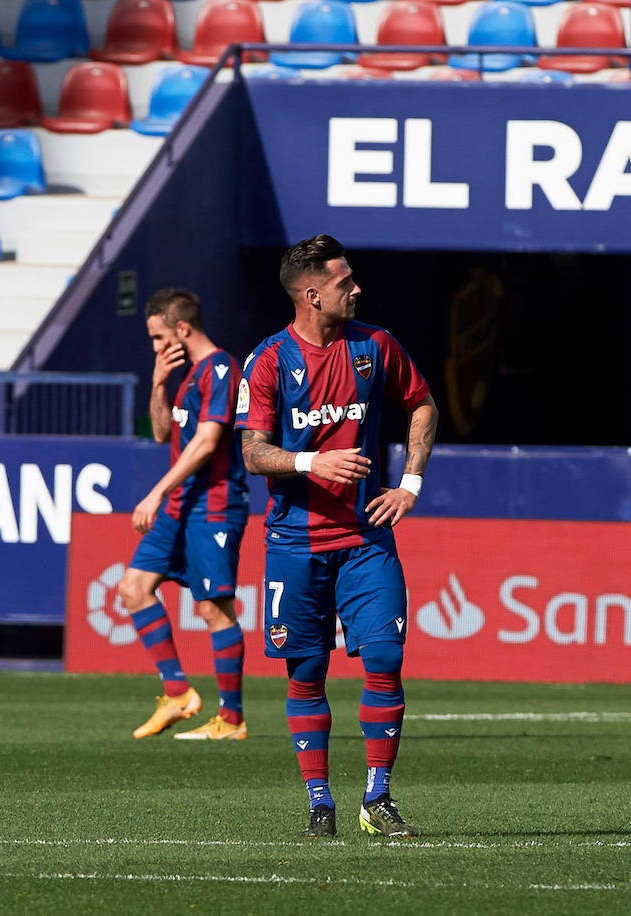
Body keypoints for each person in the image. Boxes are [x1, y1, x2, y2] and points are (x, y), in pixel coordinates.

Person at [235, 234, 438, 839]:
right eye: (346, 281)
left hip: (366, 539)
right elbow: (252, 452)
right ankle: (319, 801)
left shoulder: (375, 347)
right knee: (305, 672)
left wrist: (410, 485)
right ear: (312, 293)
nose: (358, 289)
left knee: (385, 659)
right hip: (295, 543)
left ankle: (377, 798)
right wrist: (310, 464)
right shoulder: (268, 360)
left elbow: (422, 405)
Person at [120, 289, 250, 741]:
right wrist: (157, 383)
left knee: (213, 609)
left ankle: (231, 720)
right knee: (134, 589)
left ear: (181, 329)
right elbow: (161, 433)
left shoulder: (221, 369)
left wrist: (154, 493)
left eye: (158, 337)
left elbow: (209, 441)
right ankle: (177, 693)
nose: (155, 346)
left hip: (213, 503)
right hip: (181, 505)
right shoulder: (187, 376)